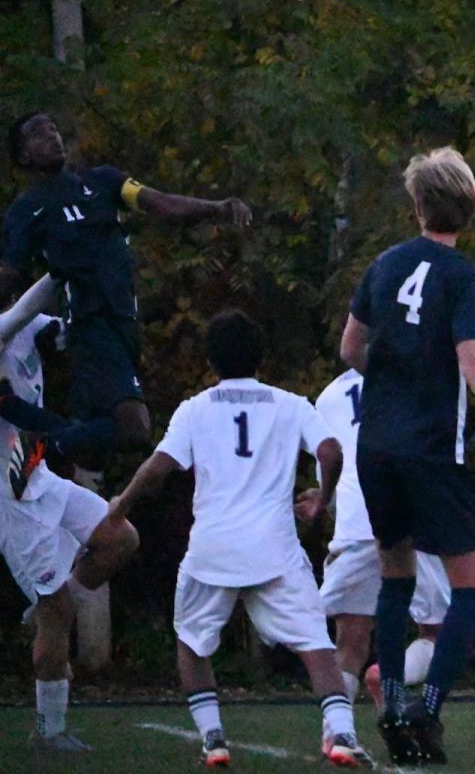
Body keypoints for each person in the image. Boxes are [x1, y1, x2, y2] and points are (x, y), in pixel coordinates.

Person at [340, 147, 475, 766]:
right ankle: (427, 709)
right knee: (471, 588)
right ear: (471, 210)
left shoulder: (383, 264)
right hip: (433, 451)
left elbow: (351, 345)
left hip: (376, 448)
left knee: (396, 576)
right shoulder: (464, 278)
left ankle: (389, 711)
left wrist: (393, 376)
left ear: (416, 207)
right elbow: (472, 360)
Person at [107, 309, 371, 768]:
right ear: (260, 358)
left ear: (211, 360)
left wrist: (120, 507)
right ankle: (343, 734)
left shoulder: (195, 408)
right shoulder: (290, 404)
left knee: (191, 642)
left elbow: (158, 468)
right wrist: (322, 500)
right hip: (275, 549)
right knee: (316, 645)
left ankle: (213, 740)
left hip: (213, 547)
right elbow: (331, 452)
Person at [0, 111, 252, 471]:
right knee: (133, 428)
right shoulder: (27, 210)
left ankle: (20, 418)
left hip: (124, 322)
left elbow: (159, 203)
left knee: (92, 451)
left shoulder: (103, 181)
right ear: (24, 156)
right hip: (90, 323)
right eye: (38, 135)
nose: (52, 137)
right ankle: (41, 446)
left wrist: (217, 208)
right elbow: (10, 275)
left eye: (54, 129)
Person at [0, 294, 138, 753]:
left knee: (121, 537)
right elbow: (19, 313)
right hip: (9, 491)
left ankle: (48, 609)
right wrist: (66, 260)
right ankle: (49, 731)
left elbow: (71, 328)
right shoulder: (8, 320)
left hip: (35, 471)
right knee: (55, 611)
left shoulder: (28, 323)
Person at [308, 368, 452, 713]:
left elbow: (330, 475)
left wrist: (327, 505)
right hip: (408, 518)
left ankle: (337, 735)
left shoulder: (327, 397)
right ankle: (391, 673)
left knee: (350, 640)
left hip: (355, 522)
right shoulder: (417, 374)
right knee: (437, 632)